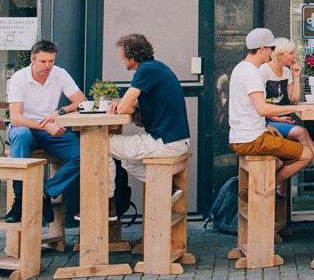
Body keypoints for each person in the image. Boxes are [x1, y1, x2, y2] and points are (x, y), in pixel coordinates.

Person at [107, 33, 190, 218]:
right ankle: (167, 188)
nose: (121, 60)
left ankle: (108, 204)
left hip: (164, 142)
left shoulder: (145, 71)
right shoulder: (158, 68)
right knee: (128, 161)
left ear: (131, 57)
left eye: (122, 56)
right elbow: (135, 103)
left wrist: (120, 104)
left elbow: (123, 108)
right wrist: (125, 104)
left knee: (102, 145)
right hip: (177, 141)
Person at [5, 39, 87, 223]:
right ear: (32, 60)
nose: (47, 66)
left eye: (51, 61)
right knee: (21, 133)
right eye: (43, 61)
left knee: (84, 154)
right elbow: (16, 118)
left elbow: (81, 100)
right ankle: (20, 199)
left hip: (50, 129)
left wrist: (59, 111)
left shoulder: (59, 74)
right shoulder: (19, 77)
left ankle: (45, 192)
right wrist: (45, 125)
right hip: (26, 128)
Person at [229, 28, 313, 186]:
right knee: (307, 154)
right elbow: (263, 109)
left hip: (241, 136)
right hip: (252, 140)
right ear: (262, 49)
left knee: (281, 159)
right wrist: (296, 108)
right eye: (271, 48)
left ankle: (259, 187)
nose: (272, 53)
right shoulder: (252, 72)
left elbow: (247, 109)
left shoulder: (239, 68)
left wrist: (266, 126)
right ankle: (263, 187)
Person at [260, 38, 314, 184]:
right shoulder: (264, 70)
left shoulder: (287, 72)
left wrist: (296, 76)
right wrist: (276, 119)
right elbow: (260, 106)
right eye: (291, 53)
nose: (294, 56)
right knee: (302, 132)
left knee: (302, 134)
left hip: (281, 118)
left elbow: (293, 99)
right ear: (280, 54)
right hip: (266, 120)